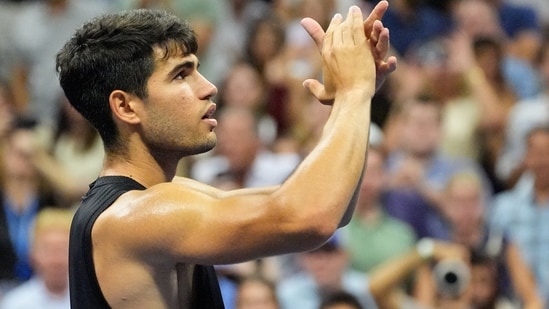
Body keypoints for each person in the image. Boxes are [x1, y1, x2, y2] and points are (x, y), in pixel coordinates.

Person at [55, 3, 397, 309]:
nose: (208, 87)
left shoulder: (165, 198)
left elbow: (331, 210)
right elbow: (311, 218)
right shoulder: (136, 216)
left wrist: (353, 102)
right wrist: (354, 91)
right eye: (181, 75)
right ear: (126, 106)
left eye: (197, 69)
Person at [0, 207, 73, 309]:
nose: (56, 261)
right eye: (48, 251)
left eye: (63, 250)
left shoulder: (91, 300)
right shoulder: (14, 304)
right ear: (32, 254)